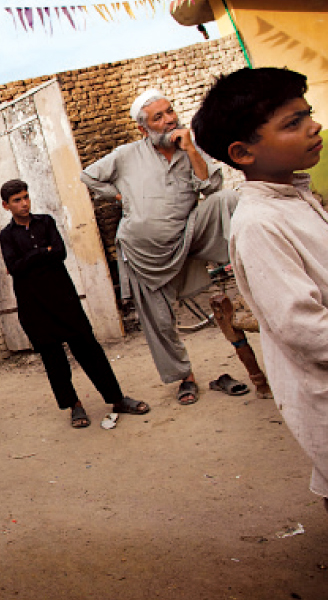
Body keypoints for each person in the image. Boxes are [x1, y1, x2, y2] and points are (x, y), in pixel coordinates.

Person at [192, 67, 328, 513]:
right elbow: (303, 328)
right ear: (242, 153)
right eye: (292, 123)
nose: (314, 125)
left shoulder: (296, 198)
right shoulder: (259, 225)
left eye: (306, 114)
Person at [80, 89, 243, 405]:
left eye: (170, 111)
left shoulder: (190, 149)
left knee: (230, 199)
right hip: (142, 252)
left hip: (188, 233)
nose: (170, 120)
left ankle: (251, 264)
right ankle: (186, 378)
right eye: (159, 117)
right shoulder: (127, 155)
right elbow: (89, 176)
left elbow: (211, 187)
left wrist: (191, 150)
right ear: (143, 129)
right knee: (160, 321)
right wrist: (120, 197)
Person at [0, 179, 150, 428]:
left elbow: (59, 252)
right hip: (35, 307)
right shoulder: (6, 236)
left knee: (90, 349)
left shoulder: (45, 222)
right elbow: (14, 268)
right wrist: (42, 253)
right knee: (54, 360)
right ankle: (74, 406)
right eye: (17, 200)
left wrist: (33, 257)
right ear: (6, 205)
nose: (24, 203)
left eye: (26, 197)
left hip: (64, 300)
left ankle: (117, 398)